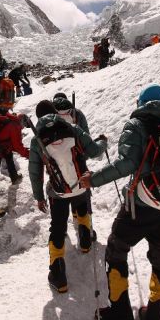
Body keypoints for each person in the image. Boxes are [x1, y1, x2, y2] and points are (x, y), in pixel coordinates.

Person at [79, 84, 160, 320]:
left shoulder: (137, 125)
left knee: (116, 248)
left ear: (141, 102)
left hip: (141, 205)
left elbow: (126, 164)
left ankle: (120, 316)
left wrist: (94, 180)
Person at [29, 100, 107, 293]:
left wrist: (39, 197)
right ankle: (86, 241)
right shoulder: (73, 128)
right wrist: (103, 141)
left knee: (57, 227)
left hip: (58, 191)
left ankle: (59, 276)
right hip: (81, 185)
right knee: (81, 209)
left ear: (38, 118)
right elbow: (95, 151)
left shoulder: (37, 140)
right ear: (55, 113)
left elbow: (34, 172)